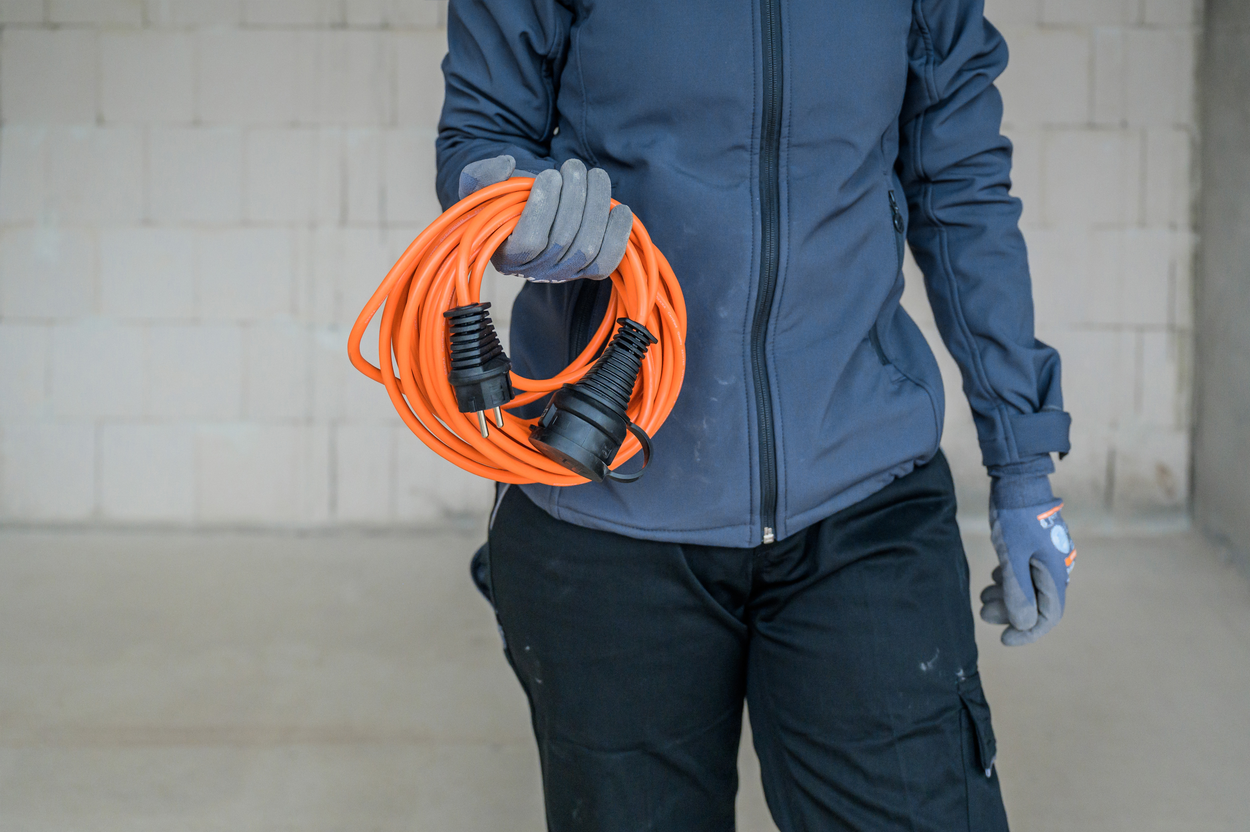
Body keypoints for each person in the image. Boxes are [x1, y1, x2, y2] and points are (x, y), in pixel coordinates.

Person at [434, 1, 1077, 829]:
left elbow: (960, 185)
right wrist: (504, 206)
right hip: (607, 506)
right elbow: (483, 129)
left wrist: (1024, 464)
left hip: (861, 497)